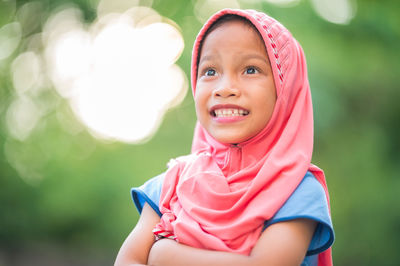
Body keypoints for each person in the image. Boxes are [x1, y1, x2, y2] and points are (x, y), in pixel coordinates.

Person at [115, 8, 334, 266]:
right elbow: (127, 261)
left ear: (285, 89)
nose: (225, 88)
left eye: (250, 70)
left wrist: (165, 255)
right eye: (210, 71)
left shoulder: (297, 189)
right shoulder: (173, 182)